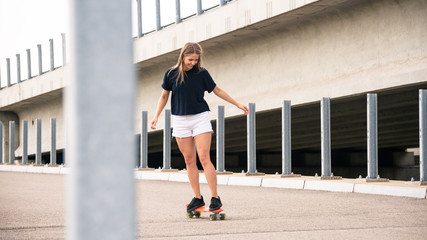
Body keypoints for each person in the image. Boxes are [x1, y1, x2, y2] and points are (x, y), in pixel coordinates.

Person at [150, 42, 249, 212]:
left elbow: (217, 90)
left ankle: (215, 198)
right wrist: (156, 116)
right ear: (182, 56)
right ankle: (197, 198)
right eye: (190, 59)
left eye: (196, 60)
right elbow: (164, 96)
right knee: (189, 160)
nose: (193, 63)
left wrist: (237, 104)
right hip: (180, 120)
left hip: (200, 118)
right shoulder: (171, 74)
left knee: (204, 158)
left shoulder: (202, 74)